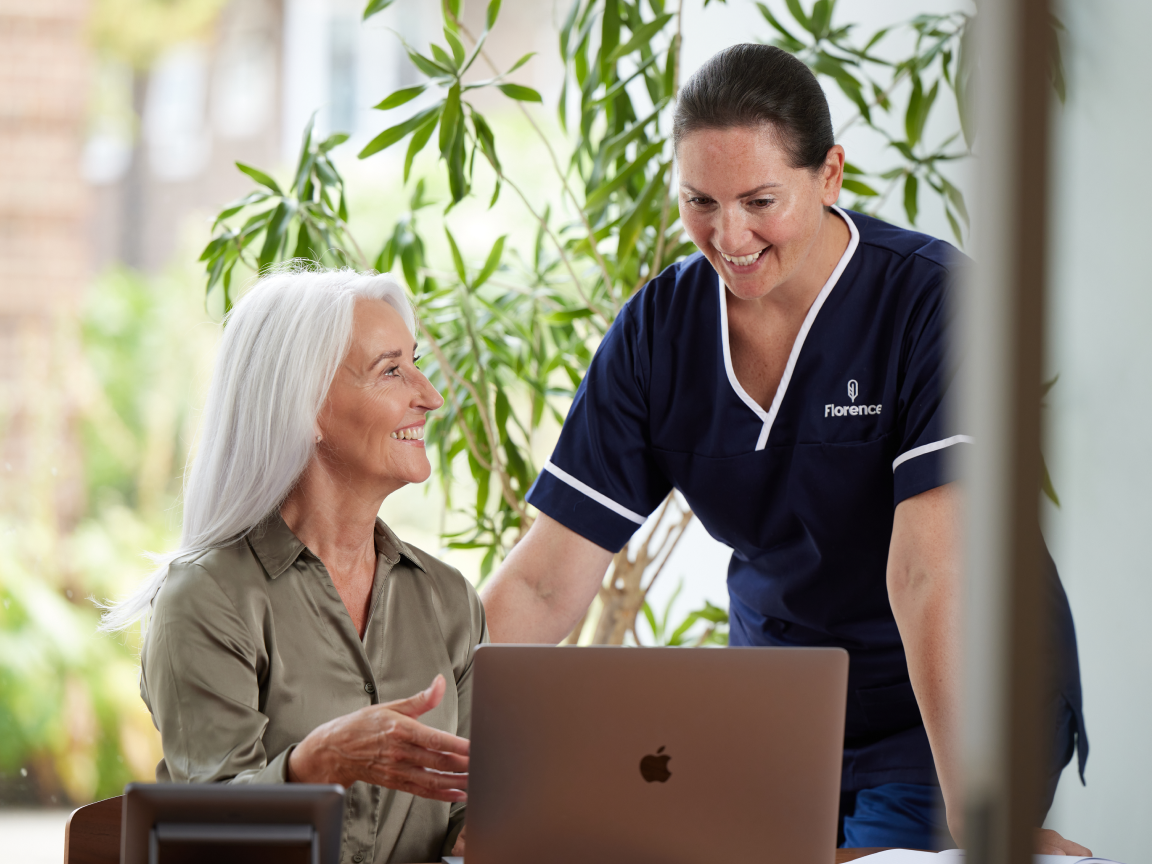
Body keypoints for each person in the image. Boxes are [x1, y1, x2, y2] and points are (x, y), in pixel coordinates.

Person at [481, 44, 1089, 854]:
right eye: (700, 201)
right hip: (784, 703)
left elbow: (929, 575)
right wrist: (421, 719)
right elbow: (546, 580)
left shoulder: (931, 301)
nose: (728, 236)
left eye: (759, 200)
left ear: (829, 175)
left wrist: (983, 833)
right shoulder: (658, 332)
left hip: (953, 693)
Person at [101, 268, 484, 863]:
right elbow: (207, 841)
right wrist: (316, 764)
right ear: (305, 406)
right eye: (392, 370)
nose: (429, 395)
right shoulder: (207, 599)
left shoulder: (447, 599)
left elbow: (475, 804)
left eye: (415, 362)